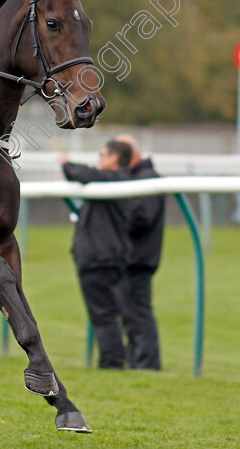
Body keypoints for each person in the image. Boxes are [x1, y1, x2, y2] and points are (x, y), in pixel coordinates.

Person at [58, 140, 133, 369]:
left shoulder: (115, 179)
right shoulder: (116, 181)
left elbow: (81, 173)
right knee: (107, 313)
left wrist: (66, 163)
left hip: (99, 258)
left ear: (113, 158)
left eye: (102, 154)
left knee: (104, 314)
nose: (99, 159)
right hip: (104, 256)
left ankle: (112, 363)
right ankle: (115, 360)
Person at [115, 134, 164, 370]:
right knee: (131, 314)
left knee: (138, 314)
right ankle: (137, 361)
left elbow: (142, 218)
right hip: (132, 257)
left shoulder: (147, 179)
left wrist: (113, 218)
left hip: (138, 258)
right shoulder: (139, 177)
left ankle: (146, 364)